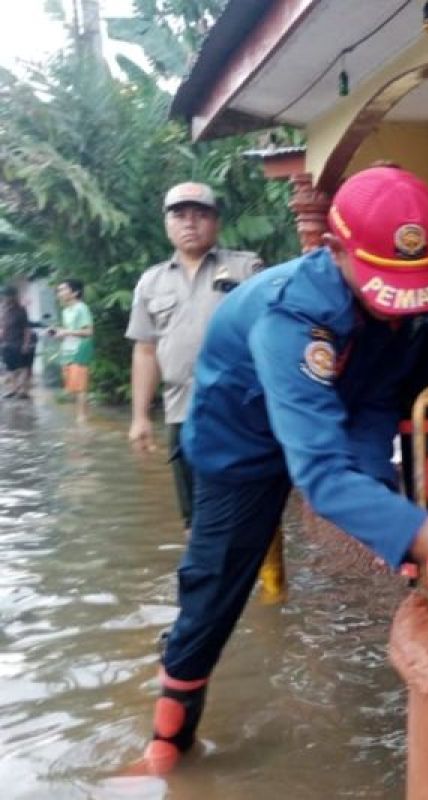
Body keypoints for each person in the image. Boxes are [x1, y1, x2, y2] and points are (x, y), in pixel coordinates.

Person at [140, 167, 428, 775]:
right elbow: (323, 480)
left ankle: (427, 556)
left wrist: (396, 517)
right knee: (217, 583)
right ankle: (167, 744)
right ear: (333, 253)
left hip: (335, 411)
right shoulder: (290, 317)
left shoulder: (402, 310)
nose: (397, 310)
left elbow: (373, 410)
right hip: (241, 445)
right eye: (386, 288)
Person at [122, 183, 287, 598]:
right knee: (196, 517)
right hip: (182, 413)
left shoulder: (248, 269)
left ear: (215, 221)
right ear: (167, 224)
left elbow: (277, 333)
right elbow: (145, 351)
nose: (190, 223)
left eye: (200, 214)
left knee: (258, 507)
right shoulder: (151, 282)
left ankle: (272, 593)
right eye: (180, 215)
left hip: (244, 412)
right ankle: (209, 594)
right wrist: (141, 417)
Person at [50, 279, 94, 423]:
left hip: (80, 350)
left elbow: (88, 331)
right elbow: (69, 332)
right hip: (68, 349)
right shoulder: (65, 311)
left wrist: (66, 332)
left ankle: (82, 418)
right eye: (59, 290)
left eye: (63, 289)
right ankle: (80, 415)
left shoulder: (81, 308)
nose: (60, 293)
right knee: (73, 386)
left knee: (80, 385)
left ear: (75, 292)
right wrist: (59, 334)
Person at [1, 286, 35, 399]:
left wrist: (26, 344)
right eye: (4, 295)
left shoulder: (21, 310)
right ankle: (14, 389)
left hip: (19, 342)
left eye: (7, 295)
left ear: (13, 296)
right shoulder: (3, 309)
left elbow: (26, 329)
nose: (5, 298)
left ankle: (23, 391)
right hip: (7, 343)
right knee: (10, 368)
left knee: (23, 367)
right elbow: (2, 327)